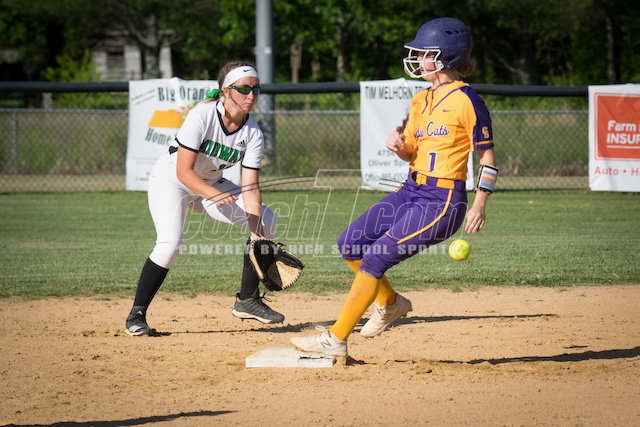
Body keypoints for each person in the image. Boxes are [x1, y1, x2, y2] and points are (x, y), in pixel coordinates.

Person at [290, 17, 497, 357]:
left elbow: (487, 158)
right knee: (350, 243)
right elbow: (411, 151)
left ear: (447, 57)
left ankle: (336, 339)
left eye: (425, 54)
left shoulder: (467, 101)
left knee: (374, 259)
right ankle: (390, 303)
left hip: (443, 200)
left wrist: (480, 203)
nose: (418, 60)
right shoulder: (420, 99)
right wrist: (400, 147)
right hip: (411, 190)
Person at [125, 61, 285, 336]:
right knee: (170, 245)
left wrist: (255, 232)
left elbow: (251, 187)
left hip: (211, 185)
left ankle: (247, 300)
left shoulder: (253, 133)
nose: (251, 95)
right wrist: (214, 194)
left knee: (266, 222)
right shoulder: (202, 115)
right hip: (172, 180)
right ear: (226, 90)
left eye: (256, 89)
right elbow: (184, 172)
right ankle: (136, 315)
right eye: (244, 89)